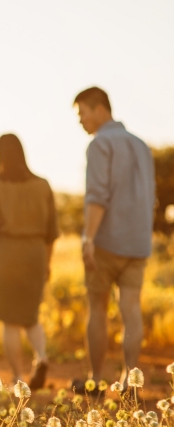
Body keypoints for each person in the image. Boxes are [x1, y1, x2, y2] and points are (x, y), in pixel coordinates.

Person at [72, 87, 156, 393]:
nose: (81, 121)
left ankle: (95, 378)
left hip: (107, 242)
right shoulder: (141, 145)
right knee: (130, 309)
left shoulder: (99, 144)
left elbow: (97, 196)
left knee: (97, 307)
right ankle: (129, 381)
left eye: (82, 113)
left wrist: (88, 238)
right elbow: (151, 197)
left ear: (99, 109)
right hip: (137, 243)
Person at [0, 134, 59, 390]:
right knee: (30, 315)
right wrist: (46, 263)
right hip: (35, 253)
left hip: (7, 254)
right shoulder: (43, 185)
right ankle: (41, 357)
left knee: (10, 321)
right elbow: (51, 231)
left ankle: (18, 379)